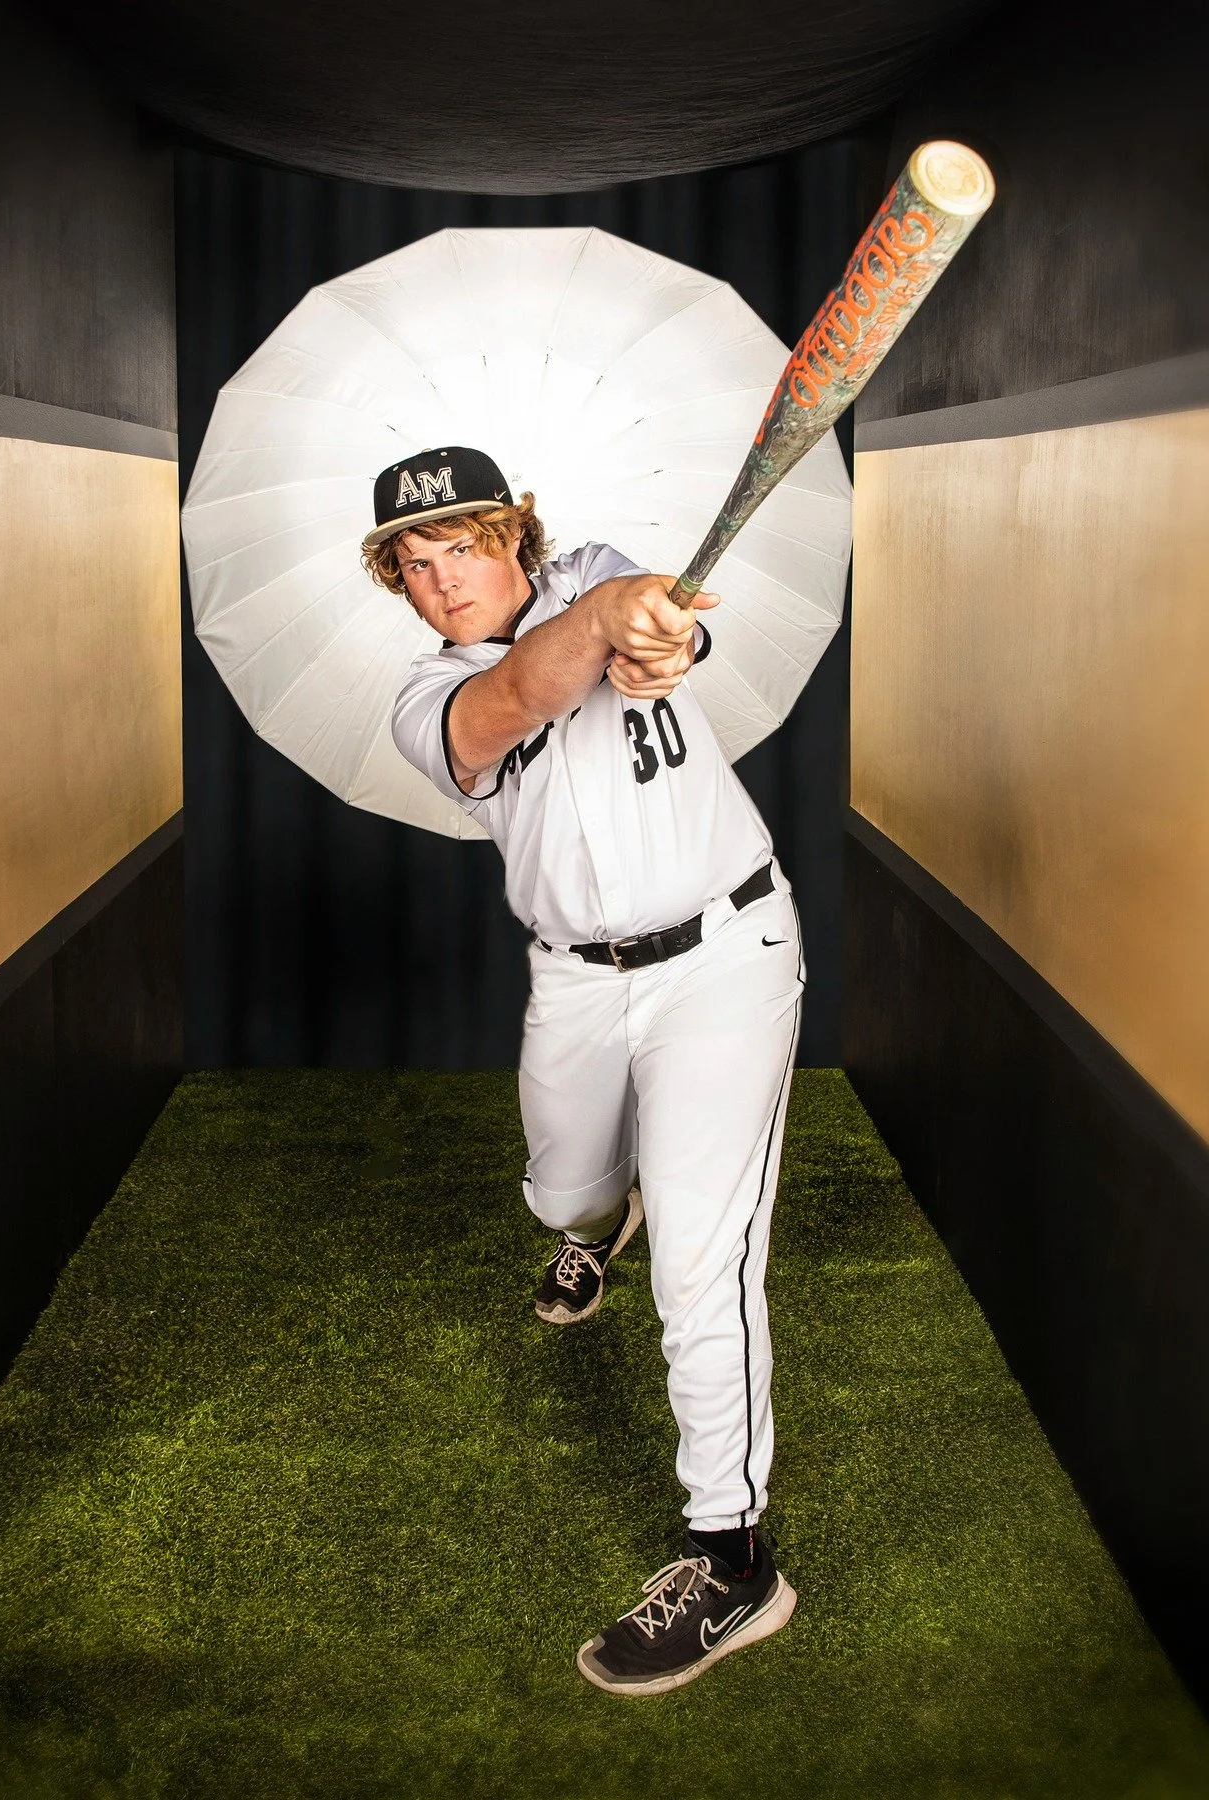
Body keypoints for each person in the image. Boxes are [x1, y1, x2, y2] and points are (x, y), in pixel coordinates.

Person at [367, 446, 803, 1698]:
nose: (444, 579)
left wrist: (656, 635)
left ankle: (730, 1559)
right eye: (415, 561)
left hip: (725, 955)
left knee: (701, 1260)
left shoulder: (598, 570)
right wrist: (606, 629)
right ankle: (594, 1226)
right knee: (565, 1194)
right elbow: (513, 697)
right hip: (576, 975)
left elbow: (652, 635)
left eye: (464, 543)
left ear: (518, 536)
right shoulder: (426, 695)